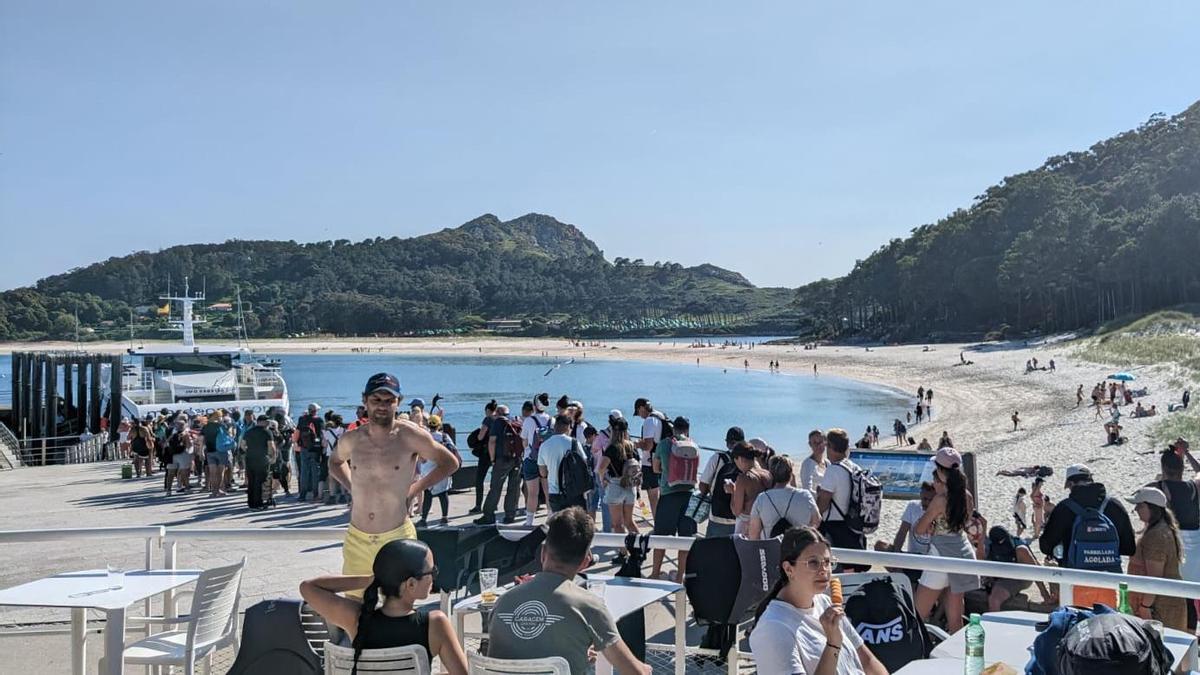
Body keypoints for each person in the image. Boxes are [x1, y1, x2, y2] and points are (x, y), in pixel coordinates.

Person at [328, 373, 459, 596]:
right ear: (365, 400)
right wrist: (353, 488)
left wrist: (414, 490)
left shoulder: (410, 436)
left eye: (389, 401)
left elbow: (450, 462)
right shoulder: (353, 438)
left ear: (398, 402)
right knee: (354, 610)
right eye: (376, 400)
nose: (382, 406)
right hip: (358, 538)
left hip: (397, 535)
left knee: (399, 606)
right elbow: (334, 462)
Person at [487, 507, 651, 674]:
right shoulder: (589, 607)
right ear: (585, 562)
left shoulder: (503, 602)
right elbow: (635, 671)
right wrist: (646, 669)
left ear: (543, 553)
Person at [300, 539, 468, 675]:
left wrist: (369, 580)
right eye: (432, 572)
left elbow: (308, 587)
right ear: (410, 584)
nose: (433, 577)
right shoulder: (435, 623)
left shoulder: (357, 619)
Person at [748, 527, 889, 675]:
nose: (824, 570)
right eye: (813, 563)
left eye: (827, 562)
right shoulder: (773, 629)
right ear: (789, 569)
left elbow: (867, 661)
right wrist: (833, 645)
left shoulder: (825, 603)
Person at [1038, 463, 1136, 607]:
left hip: (1074, 582)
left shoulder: (1064, 508)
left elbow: (1045, 546)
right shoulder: (1114, 505)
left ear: (1071, 484)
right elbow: (1129, 548)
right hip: (1108, 583)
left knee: (1077, 624)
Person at [914, 447, 980, 634]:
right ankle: (956, 658)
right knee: (955, 621)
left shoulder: (940, 500)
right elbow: (962, 524)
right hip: (962, 553)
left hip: (940, 556)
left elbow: (919, 529)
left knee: (917, 614)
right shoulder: (966, 496)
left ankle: (917, 657)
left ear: (942, 473)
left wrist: (928, 524)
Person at [1149, 441, 1200, 628]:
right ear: (1182, 468)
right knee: (1192, 601)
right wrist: (1186, 453)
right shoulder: (1193, 487)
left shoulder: (1158, 487)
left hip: (1174, 548)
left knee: (1174, 601)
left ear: (1163, 468)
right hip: (1196, 552)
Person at [1126, 487, 1188, 631]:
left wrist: (1145, 607)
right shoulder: (1159, 529)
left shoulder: (1157, 535)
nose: (1136, 509)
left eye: (1140, 505)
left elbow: (1155, 578)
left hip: (1159, 607)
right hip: (1161, 602)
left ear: (1152, 508)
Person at [650, 416, 700, 582]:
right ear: (688, 429)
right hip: (689, 496)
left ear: (673, 429)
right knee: (685, 539)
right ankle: (680, 576)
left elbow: (656, 468)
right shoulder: (694, 445)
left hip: (668, 495)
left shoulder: (664, 444)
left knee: (661, 537)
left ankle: (656, 573)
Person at [816, 428, 868, 572]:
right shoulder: (853, 467)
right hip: (853, 524)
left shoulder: (833, 470)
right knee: (851, 569)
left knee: (837, 572)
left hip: (835, 527)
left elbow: (823, 505)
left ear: (831, 447)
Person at [978, 524, 1056, 611]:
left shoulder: (1019, 546)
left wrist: (1044, 594)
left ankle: (1045, 594)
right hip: (1001, 578)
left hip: (1020, 577)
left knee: (1022, 550)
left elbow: (1035, 567)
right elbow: (980, 561)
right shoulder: (990, 546)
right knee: (994, 600)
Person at [875, 481, 935, 588]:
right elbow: (902, 532)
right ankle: (903, 579)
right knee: (880, 546)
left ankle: (910, 583)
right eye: (925, 499)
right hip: (912, 557)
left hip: (929, 560)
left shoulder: (939, 512)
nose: (927, 503)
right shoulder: (913, 506)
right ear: (921, 495)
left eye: (931, 500)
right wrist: (897, 554)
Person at [748, 456, 820, 539]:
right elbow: (816, 520)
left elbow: (754, 533)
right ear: (791, 474)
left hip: (771, 547)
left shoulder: (762, 498)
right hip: (799, 548)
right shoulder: (805, 495)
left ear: (771, 474)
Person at [475, 403, 523, 525]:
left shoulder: (498, 422)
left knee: (495, 487)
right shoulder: (517, 420)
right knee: (514, 487)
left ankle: (489, 515)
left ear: (498, 413)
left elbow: (492, 441)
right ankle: (510, 515)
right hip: (517, 458)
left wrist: (492, 459)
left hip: (502, 459)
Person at [698, 427, 745, 538]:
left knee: (713, 552)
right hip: (740, 517)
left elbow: (702, 485)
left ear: (727, 443)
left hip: (717, 516)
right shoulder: (747, 460)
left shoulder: (718, 458)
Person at [597, 416, 639, 538]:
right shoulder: (631, 446)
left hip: (615, 485)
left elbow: (601, 468)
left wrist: (602, 478)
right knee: (629, 522)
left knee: (617, 524)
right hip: (630, 486)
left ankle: (623, 552)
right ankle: (640, 548)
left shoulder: (612, 448)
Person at [538, 414, 588, 512]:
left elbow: (543, 473)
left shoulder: (544, 445)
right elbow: (584, 463)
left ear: (555, 426)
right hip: (574, 491)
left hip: (554, 492)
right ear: (568, 427)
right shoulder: (574, 442)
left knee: (559, 523)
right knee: (576, 523)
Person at [416, 416, 454, 527]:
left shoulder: (425, 437)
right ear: (439, 425)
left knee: (428, 494)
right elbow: (452, 450)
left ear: (428, 425)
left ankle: (423, 519)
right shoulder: (444, 437)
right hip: (442, 468)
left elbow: (420, 455)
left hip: (427, 469)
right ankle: (444, 517)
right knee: (443, 494)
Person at [519, 397, 552, 526]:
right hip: (547, 460)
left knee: (532, 493)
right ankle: (550, 519)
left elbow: (525, 441)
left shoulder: (529, 420)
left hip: (531, 459)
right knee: (548, 491)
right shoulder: (552, 420)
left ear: (534, 406)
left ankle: (529, 522)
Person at [730, 442, 772, 536]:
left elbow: (737, 511)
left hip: (747, 527)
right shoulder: (767, 474)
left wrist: (732, 491)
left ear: (740, 459)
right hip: (765, 524)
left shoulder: (743, 478)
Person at [468, 400, 499, 515]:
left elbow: (481, 437)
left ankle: (478, 505)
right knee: (495, 480)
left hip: (486, 454)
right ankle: (493, 504)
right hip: (498, 453)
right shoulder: (499, 419)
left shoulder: (488, 420)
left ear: (488, 410)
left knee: (479, 480)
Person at [634, 398, 663, 515]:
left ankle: (658, 526)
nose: (640, 415)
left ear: (641, 408)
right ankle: (663, 524)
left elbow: (648, 446)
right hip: (662, 461)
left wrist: (637, 444)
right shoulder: (660, 416)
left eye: (638, 412)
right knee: (662, 496)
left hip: (650, 463)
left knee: (653, 498)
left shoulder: (649, 421)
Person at [243, 415, 277, 510]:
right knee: (260, 481)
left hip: (250, 459)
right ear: (262, 421)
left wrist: (249, 451)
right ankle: (258, 504)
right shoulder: (267, 432)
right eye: (267, 421)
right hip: (262, 459)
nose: (268, 423)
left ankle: (251, 503)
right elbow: (271, 447)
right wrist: (273, 457)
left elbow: (242, 445)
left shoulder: (249, 431)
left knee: (251, 481)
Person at [296, 403, 326, 503]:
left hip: (304, 447)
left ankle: (302, 494)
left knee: (304, 471)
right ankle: (315, 493)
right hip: (315, 448)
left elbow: (298, 433)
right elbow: (322, 434)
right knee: (315, 471)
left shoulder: (301, 419)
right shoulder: (319, 420)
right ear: (316, 411)